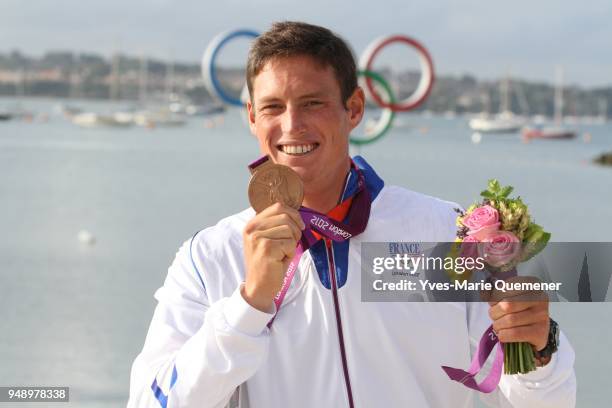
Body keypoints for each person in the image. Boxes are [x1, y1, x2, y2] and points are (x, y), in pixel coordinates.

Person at [128, 21, 576, 408]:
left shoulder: (447, 231)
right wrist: (247, 306)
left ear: (355, 109)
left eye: (313, 103)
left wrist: (539, 351)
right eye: (272, 107)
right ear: (251, 117)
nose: (291, 125)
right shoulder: (208, 258)